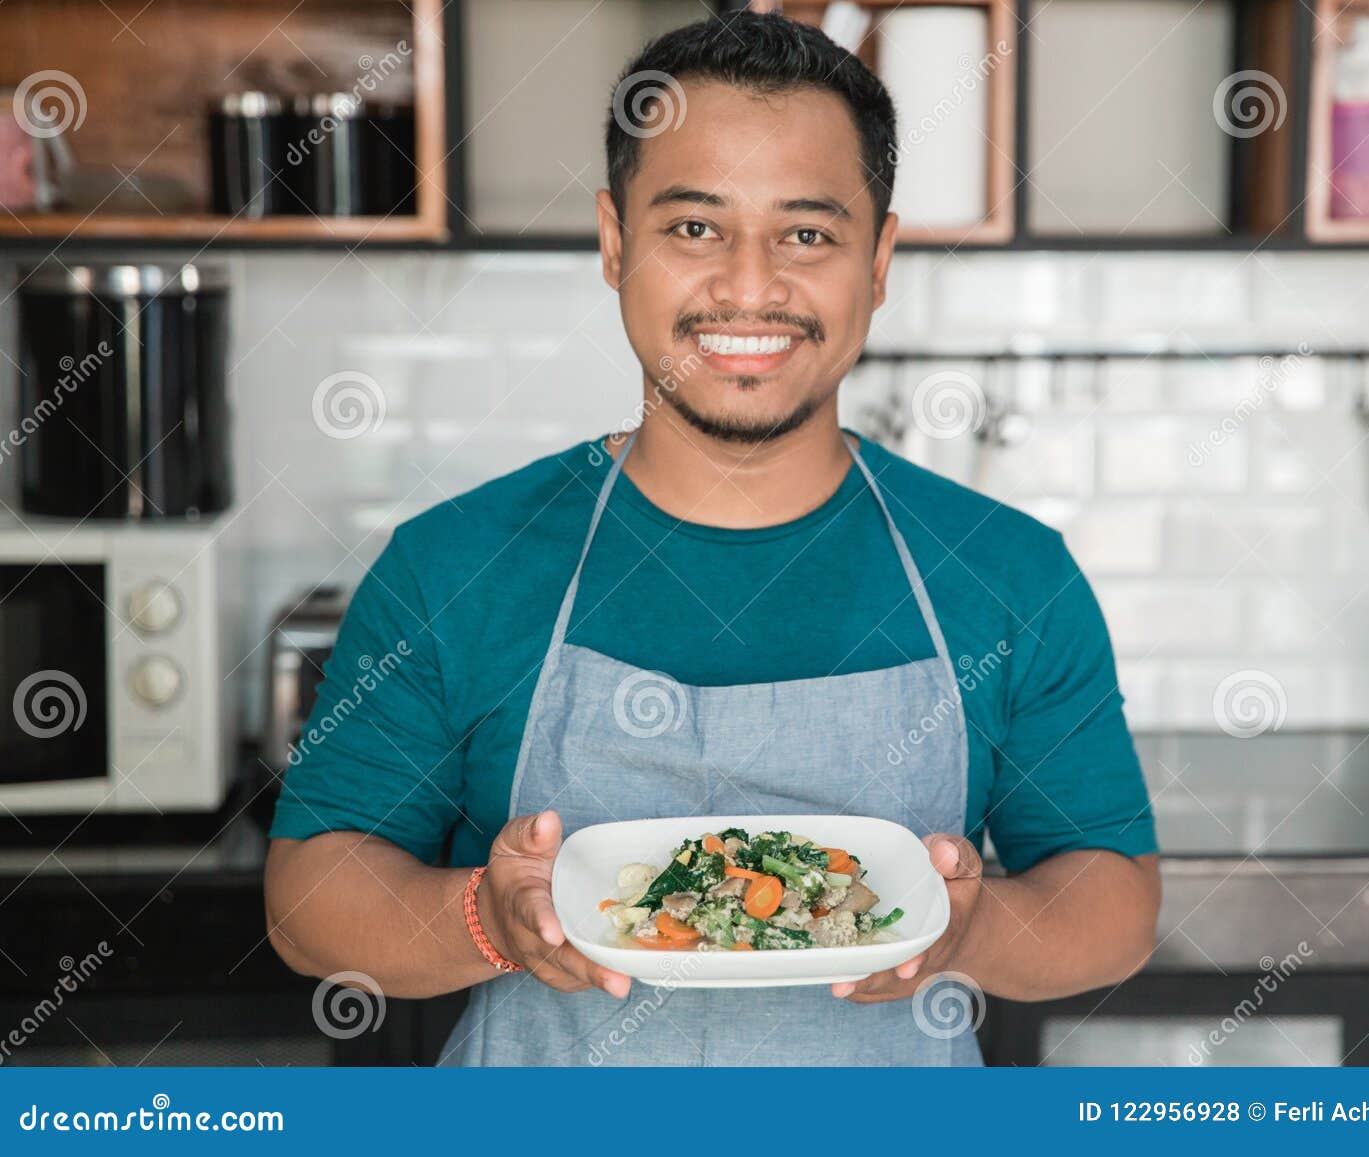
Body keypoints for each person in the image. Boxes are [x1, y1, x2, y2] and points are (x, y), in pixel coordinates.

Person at [264, 10, 1159, 1067]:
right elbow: (312, 896)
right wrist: (483, 918)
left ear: (879, 259)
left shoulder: (1006, 573)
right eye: (694, 227)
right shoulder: (456, 564)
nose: (748, 285)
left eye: (807, 233)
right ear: (613, 241)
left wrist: (970, 926)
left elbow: (1112, 898)